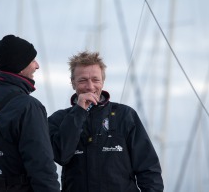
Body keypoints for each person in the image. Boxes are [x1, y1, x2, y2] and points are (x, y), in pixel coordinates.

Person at [48, 51, 164, 192]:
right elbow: (61, 156)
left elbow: (148, 168)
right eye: (83, 80)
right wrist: (79, 113)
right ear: (73, 83)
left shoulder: (125, 115)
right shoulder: (58, 119)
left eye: (95, 80)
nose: (90, 86)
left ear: (103, 81)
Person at [0, 35, 60, 192]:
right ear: (20, 66)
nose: (37, 65)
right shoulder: (28, 106)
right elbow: (41, 165)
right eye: (32, 60)